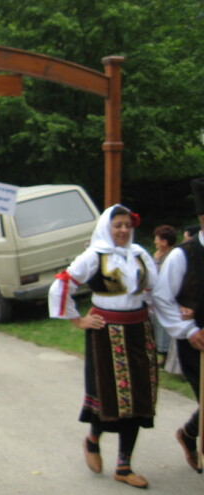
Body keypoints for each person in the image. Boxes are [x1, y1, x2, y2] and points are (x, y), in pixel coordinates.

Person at [48, 205, 158, 488]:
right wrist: (77, 320)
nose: (123, 230)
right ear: (106, 228)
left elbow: (155, 292)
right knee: (111, 396)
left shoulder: (140, 254)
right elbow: (62, 284)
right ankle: (94, 437)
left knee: (139, 397)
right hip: (107, 333)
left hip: (139, 331)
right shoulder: (94, 256)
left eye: (126, 225)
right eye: (117, 225)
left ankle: (124, 465)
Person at [152, 177, 204, 475]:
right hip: (195, 343)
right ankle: (190, 434)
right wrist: (189, 330)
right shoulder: (183, 255)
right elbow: (162, 298)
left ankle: (189, 433)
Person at [151, 224, 177, 367]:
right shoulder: (161, 256)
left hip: (169, 299)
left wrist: (155, 261)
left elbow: (156, 276)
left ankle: (165, 354)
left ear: (164, 242)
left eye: (157, 239)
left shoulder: (172, 256)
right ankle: (160, 353)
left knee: (163, 326)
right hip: (158, 299)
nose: (155, 241)